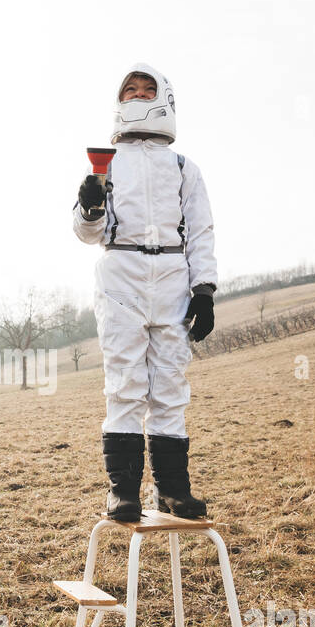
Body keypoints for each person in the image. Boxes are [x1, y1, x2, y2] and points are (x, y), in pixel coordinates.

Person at [72, 63, 217, 521]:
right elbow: (86, 232)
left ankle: (173, 489)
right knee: (125, 384)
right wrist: (90, 207)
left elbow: (201, 231)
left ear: (165, 99)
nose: (137, 96)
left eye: (147, 89)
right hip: (122, 274)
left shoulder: (183, 167)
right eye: (129, 91)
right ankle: (124, 491)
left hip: (173, 274)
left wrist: (205, 290)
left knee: (171, 386)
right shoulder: (106, 162)